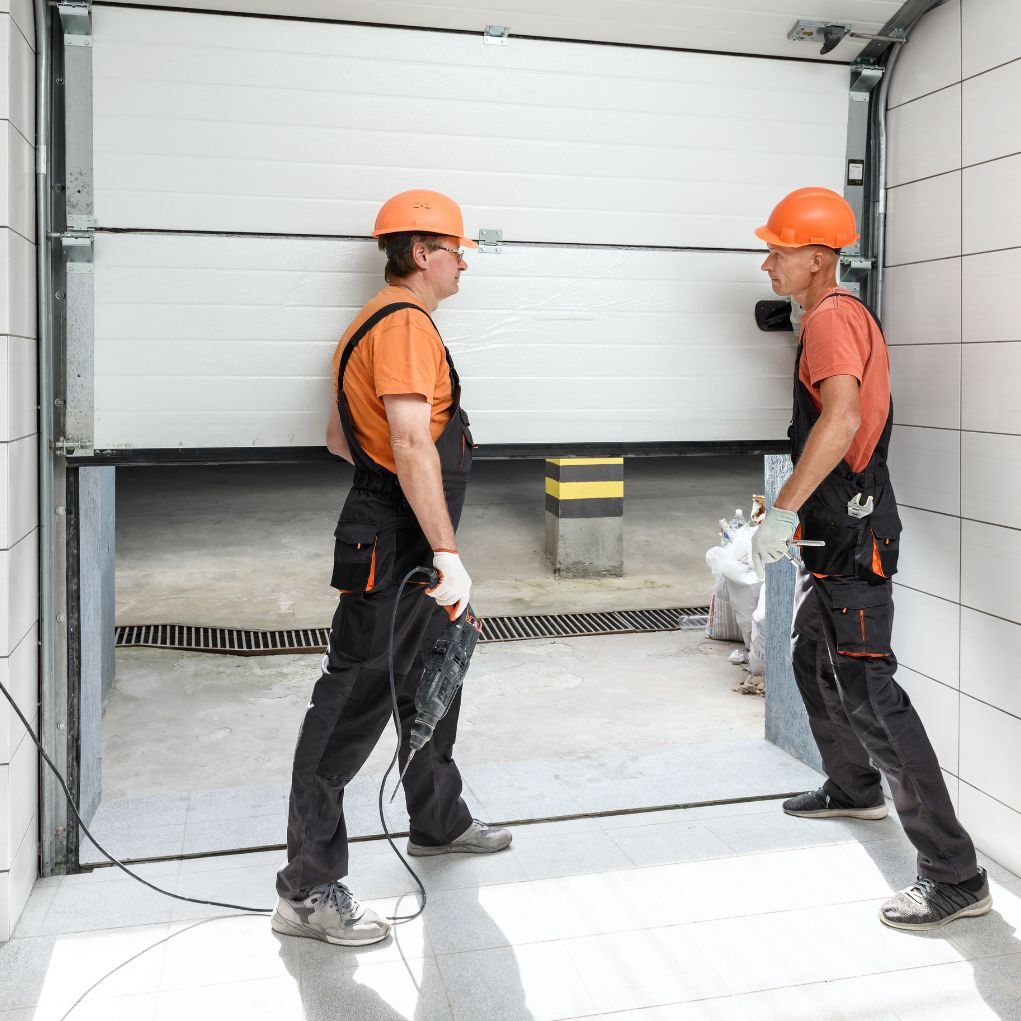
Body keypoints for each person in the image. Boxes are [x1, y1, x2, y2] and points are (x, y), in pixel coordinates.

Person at [272, 189, 511, 948]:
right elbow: (408, 445)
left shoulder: (380, 325)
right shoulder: (404, 325)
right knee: (351, 705)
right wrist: (444, 550)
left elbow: (340, 438)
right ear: (418, 254)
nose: (463, 260)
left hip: (395, 529)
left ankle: (438, 821)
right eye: (454, 249)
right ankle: (307, 889)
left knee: (430, 679)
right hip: (393, 542)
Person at [751, 187, 991, 931]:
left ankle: (953, 873)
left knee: (869, 692)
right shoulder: (828, 316)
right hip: (836, 527)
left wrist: (785, 504)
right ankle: (852, 784)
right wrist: (791, 508)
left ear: (817, 258)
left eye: (778, 250)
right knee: (805, 652)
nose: (767, 263)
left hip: (850, 532)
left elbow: (844, 417)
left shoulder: (829, 319)